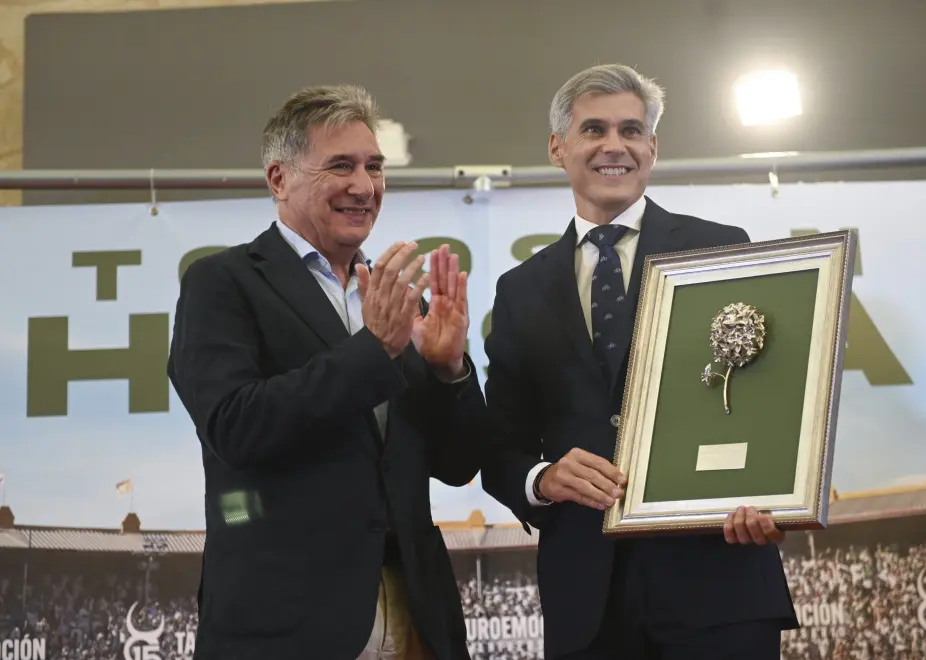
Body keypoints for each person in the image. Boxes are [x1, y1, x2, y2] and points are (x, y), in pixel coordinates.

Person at [480, 64, 799, 659]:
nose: (614, 146)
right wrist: (543, 480)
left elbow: (766, 404)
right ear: (558, 147)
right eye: (594, 129)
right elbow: (499, 446)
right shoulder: (519, 289)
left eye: (631, 130)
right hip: (588, 603)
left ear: (652, 146)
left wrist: (774, 495)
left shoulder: (721, 247)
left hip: (719, 584)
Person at [167, 84, 484, 660]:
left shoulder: (395, 298)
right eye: (341, 166)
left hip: (417, 616)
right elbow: (236, 426)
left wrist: (450, 370)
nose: (364, 187)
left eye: (374, 167)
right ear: (279, 179)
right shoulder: (223, 283)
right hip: (287, 622)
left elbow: (460, 466)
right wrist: (373, 351)